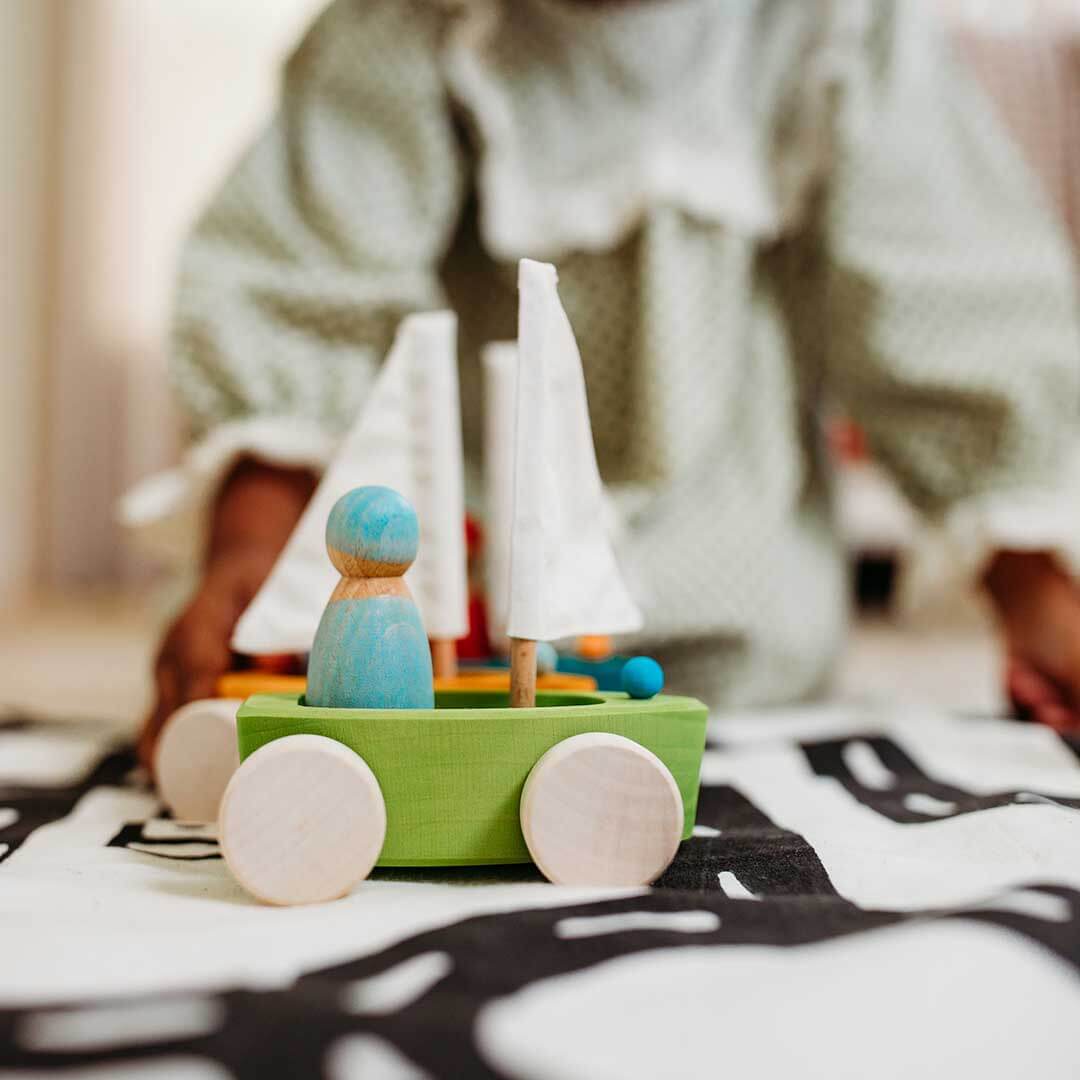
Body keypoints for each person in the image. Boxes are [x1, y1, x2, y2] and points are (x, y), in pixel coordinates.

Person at [138, 0, 1080, 765]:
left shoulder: (840, 28)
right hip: (457, 642)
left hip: (748, 654)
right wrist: (254, 548)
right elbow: (301, 289)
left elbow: (952, 303)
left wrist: (1036, 590)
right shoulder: (403, 27)